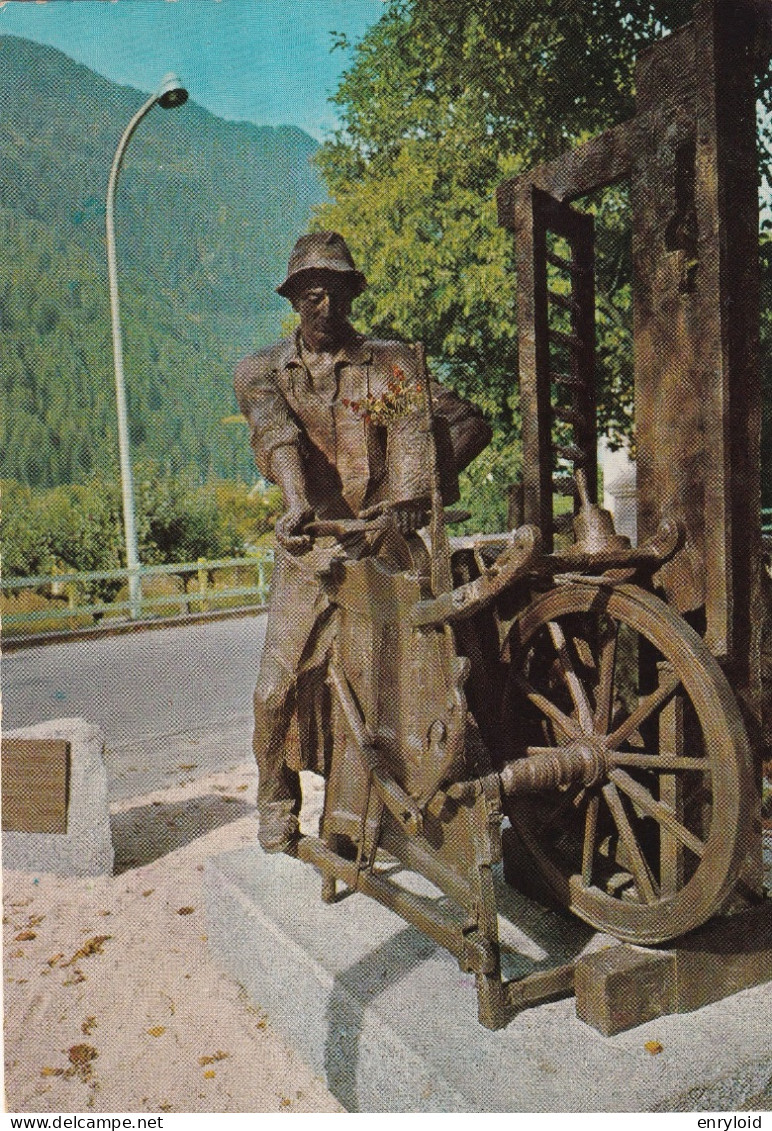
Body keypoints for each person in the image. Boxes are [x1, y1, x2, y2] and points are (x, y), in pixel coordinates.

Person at [234, 231, 491, 853]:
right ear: (293, 299)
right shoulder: (261, 370)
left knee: (394, 692)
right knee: (277, 689)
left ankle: (377, 807)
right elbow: (276, 435)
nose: (325, 308)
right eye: (312, 295)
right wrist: (296, 502)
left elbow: (466, 422)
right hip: (312, 547)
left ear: (352, 295)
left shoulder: (392, 365)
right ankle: (276, 799)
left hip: (384, 550)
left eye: (338, 294)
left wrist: (414, 492)